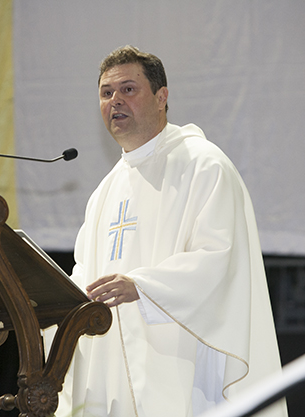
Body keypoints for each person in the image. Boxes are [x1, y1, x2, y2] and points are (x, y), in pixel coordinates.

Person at [46, 46, 288, 417]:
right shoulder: (104, 194)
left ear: (162, 98)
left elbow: (219, 261)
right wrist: (38, 306)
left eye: (128, 89)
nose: (115, 101)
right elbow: (84, 281)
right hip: (113, 378)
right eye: (106, 93)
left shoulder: (204, 165)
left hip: (183, 370)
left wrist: (142, 287)